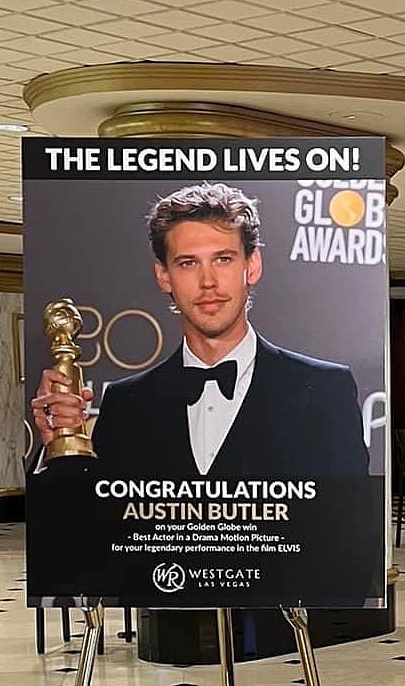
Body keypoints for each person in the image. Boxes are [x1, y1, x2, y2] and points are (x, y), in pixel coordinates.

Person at [31, 182, 368, 478]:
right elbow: (99, 526)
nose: (208, 282)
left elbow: (343, 522)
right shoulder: (126, 403)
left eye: (223, 259)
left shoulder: (324, 390)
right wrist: (57, 444)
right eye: (188, 263)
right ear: (164, 277)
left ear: (252, 266)